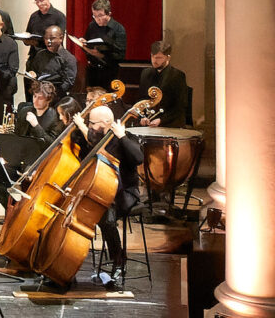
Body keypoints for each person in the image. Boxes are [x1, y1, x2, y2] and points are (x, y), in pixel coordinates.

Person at [68, 104, 144, 286]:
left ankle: (119, 262)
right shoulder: (97, 138)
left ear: (106, 123)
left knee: (106, 218)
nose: (90, 126)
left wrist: (122, 136)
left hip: (125, 192)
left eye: (93, 123)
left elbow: (138, 158)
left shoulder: (125, 137)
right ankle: (69, 261)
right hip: (102, 191)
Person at [138, 40, 190, 128]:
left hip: (170, 122)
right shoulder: (145, 73)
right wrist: (143, 117)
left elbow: (180, 106)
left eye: (159, 58)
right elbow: (142, 99)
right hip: (149, 122)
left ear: (168, 58)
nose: (154, 60)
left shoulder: (178, 76)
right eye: (152, 56)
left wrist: (161, 120)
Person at [81, 0, 127, 92]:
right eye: (94, 15)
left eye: (100, 15)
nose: (97, 19)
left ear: (109, 13)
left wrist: (101, 55)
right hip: (93, 70)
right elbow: (88, 43)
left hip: (110, 72)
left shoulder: (118, 29)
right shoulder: (92, 26)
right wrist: (84, 43)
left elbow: (120, 55)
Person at [27, 25, 77, 95]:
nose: (48, 41)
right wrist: (32, 74)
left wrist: (51, 93)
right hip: (39, 92)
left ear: (61, 38)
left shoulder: (68, 58)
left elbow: (68, 83)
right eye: (46, 38)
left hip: (56, 94)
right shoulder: (40, 54)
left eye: (52, 38)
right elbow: (34, 72)